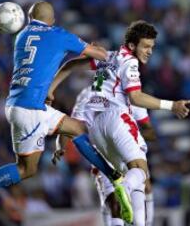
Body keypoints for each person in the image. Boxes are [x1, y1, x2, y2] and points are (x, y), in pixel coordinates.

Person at [0, 1, 127, 214]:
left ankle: (114, 177)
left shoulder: (22, 35)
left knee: (78, 129)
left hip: (19, 104)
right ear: (52, 19)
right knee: (26, 169)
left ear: (29, 18)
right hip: (31, 109)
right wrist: (98, 50)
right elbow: (100, 55)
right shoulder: (59, 34)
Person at [48, 20, 190, 224]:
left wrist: (51, 88)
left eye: (152, 47)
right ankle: (124, 189)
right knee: (141, 172)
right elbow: (136, 98)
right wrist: (172, 106)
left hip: (96, 129)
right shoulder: (129, 61)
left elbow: (71, 64)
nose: (150, 51)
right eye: (146, 46)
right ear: (132, 46)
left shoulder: (106, 57)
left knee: (122, 188)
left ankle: (131, 209)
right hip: (116, 117)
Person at [55, 86, 157, 226]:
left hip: (99, 145)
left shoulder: (87, 94)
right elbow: (150, 132)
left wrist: (60, 146)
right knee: (140, 177)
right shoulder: (132, 94)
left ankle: (136, 215)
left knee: (114, 202)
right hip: (120, 137)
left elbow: (71, 125)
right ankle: (142, 216)